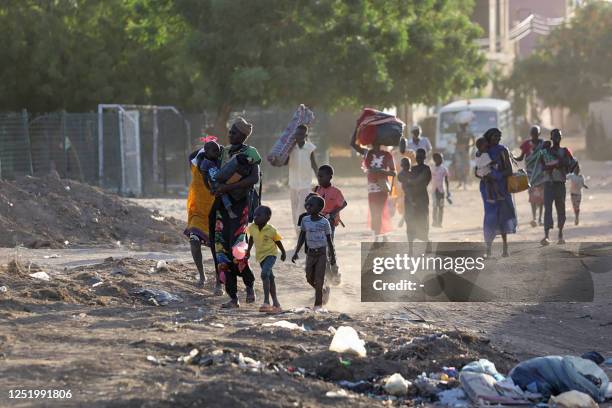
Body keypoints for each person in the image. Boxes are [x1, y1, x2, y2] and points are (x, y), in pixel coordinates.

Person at [213, 118, 261, 309]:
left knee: (237, 250)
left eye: (234, 132)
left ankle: (249, 286)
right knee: (221, 251)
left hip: (240, 206)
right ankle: (233, 297)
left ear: (243, 135)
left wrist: (227, 187)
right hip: (221, 207)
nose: (230, 134)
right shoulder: (224, 152)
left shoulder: (249, 154)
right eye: (230, 131)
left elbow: (254, 178)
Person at [185, 138, 220, 291]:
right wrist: (206, 145)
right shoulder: (194, 162)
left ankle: (220, 280)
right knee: (194, 241)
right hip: (197, 211)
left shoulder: (219, 166)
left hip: (215, 210)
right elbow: (192, 155)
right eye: (211, 150)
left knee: (217, 249)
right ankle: (202, 275)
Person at [291, 195, 336, 311]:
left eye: (311, 205)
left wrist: (332, 257)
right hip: (310, 253)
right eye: (307, 205)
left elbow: (329, 240)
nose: (308, 207)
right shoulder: (305, 220)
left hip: (321, 253)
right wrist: (296, 252)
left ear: (320, 207)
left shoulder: (324, 222)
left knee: (319, 278)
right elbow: (302, 236)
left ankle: (318, 305)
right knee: (309, 277)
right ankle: (321, 290)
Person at [477, 128, 517, 257]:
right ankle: (488, 249)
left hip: (502, 187)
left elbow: (509, 171)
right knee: (490, 217)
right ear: (489, 137)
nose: (497, 139)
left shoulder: (503, 150)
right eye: (495, 136)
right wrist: (485, 176)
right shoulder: (483, 150)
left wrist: (496, 175)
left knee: (503, 216)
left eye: (499, 136)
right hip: (487, 188)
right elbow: (477, 171)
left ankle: (505, 249)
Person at [350, 133, 396, 241]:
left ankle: (381, 235)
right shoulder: (367, 153)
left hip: (382, 186)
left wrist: (381, 171)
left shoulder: (387, 155)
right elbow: (353, 144)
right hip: (372, 188)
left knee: (379, 211)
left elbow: (393, 173)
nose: (375, 142)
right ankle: (378, 236)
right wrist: (357, 128)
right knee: (374, 212)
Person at [246, 206, 286, 313]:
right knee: (270, 277)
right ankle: (276, 303)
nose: (255, 217)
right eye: (254, 214)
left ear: (267, 218)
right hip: (260, 256)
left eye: (259, 215)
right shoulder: (252, 228)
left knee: (264, 274)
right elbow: (251, 239)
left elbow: (277, 241)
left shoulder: (271, 230)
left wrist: (283, 252)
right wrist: (248, 251)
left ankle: (266, 302)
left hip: (271, 254)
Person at [540, 129, 577, 246]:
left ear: (561, 138)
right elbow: (542, 166)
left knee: (561, 209)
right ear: (551, 138)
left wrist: (559, 164)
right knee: (548, 209)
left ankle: (560, 234)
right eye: (555, 136)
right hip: (548, 183)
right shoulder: (545, 151)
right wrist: (555, 164)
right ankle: (546, 236)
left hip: (560, 183)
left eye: (559, 136)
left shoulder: (565, 151)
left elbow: (571, 164)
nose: (557, 138)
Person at [398, 150, 432, 255]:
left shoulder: (426, 169)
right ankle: (410, 249)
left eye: (421, 156)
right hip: (410, 200)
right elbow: (400, 177)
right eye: (418, 156)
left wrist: (409, 181)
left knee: (422, 222)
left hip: (422, 199)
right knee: (410, 223)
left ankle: (427, 244)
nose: (419, 158)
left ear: (424, 157)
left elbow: (419, 180)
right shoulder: (412, 169)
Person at [288, 124, 318, 236]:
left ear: (305, 135)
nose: (299, 136)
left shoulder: (310, 148)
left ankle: (302, 233)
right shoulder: (291, 148)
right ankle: (298, 235)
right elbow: (284, 162)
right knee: (294, 210)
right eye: (297, 134)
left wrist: (320, 180)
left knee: (302, 210)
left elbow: (314, 165)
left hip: (305, 184)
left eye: (301, 134)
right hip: (293, 184)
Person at [515, 125, 545, 227]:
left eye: (536, 134)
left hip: (541, 174)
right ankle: (534, 218)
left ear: (539, 134)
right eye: (533, 134)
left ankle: (540, 218)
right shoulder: (526, 144)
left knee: (541, 197)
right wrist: (511, 156)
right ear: (530, 134)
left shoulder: (543, 144)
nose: (534, 136)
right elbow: (520, 158)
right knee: (532, 197)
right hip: (531, 174)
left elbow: (547, 157)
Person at [198, 140, 237, 219]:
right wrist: (209, 188)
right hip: (215, 183)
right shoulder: (205, 164)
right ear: (206, 152)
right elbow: (204, 178)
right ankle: (229, 210)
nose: (217, 153)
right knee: (223, 194)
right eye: (214, 151)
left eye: (218, 151)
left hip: (223, 179)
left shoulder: (217, 160)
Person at [313, 165, 347, 239]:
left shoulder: (336, 192)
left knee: (329, 240)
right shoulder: (315, 190)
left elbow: (344, 203)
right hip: (317, 219)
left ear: (330, 177)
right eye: (318, 176)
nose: (319, 178)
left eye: (321, 176)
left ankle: (330, 249)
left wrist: (333, 212)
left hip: (330, 220)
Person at [474, 137, 504, 203]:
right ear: (482, 147)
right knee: (494, 181)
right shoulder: (485, 154)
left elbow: (479, 163)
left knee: (488, 183)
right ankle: (498, 195)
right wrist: (497, 159)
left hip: (480, 171)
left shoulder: (477, 154)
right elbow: (490, 162)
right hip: (485, 171)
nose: (487, 148)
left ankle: (489, 197)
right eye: (486, 147)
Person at [431, 152, 450, 227]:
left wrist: (448, 191)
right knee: (435, 206)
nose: (442, 160)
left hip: (441, 191)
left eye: (442, 158)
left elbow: (446, 180)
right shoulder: (432, 168)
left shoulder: (444, 169)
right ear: (435, 159)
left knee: (441, 207)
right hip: (434, 191)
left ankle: (440, 222)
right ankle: (434, 221)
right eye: (440, 158)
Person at [454, 122, 474, 189]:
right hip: (459, 151)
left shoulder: (469, 133)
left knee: (465, 167)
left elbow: (473, 142)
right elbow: (457, 142)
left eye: (464, 126)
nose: (463, 128)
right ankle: (460, 182)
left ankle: (464, 183)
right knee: (460, 166)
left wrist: (469, 146)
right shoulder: (459, 133)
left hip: (465, 151)